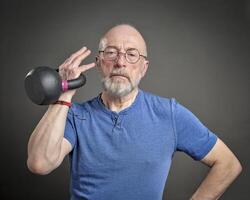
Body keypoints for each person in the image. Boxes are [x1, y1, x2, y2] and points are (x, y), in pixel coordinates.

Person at [27, 24, 242, 200]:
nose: (120, 62)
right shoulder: (74, 115)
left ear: (144, 67)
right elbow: (40, 163)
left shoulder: (170, 114)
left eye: (131, 54)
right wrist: (63, 96)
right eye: (111, 53)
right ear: (99, 63)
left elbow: (228, 164)